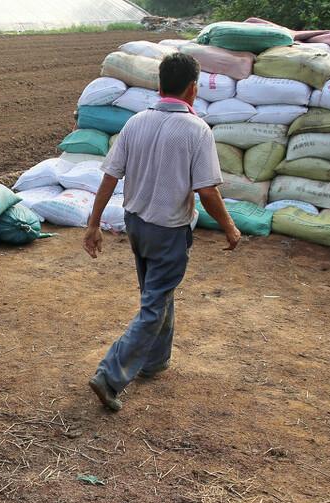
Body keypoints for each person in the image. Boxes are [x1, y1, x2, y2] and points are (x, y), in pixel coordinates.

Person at [83, 52, 240, 412]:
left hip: (137, 225)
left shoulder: (136, 122)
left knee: (158, 294)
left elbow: (110, 176)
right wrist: (229, 227)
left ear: (159, 86)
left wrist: (94, 224)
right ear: (193, 88)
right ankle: (109, 375)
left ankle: (155, 361)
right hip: (169, 231)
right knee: (154, 304)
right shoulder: (197, 130)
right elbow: (207, 190)